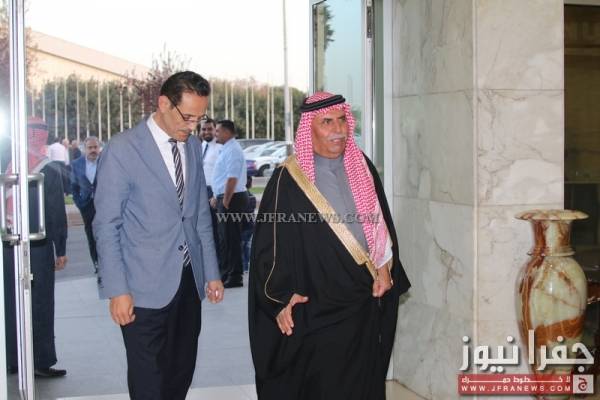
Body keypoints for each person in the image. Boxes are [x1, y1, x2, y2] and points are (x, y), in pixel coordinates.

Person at [248, 92, 411, 400]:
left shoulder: (361, 165)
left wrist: (384, 267)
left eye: (341, 121)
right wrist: (279, 298)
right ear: (308, 129)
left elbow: (380, 225)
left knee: (363, 382)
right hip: (318, 306)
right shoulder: (289, 179)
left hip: (364, 298)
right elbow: (269, 247)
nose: (338, 130)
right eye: (326, 122)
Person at [93, 71, 224, 400]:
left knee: (180, 372)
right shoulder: (123, 149)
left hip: (188, 282)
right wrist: (117, 290)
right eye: (187, 117)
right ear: (164, 103)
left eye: (199, 118)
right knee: (149, 382)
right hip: (142, 288)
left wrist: (211, 273)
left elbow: (199, 215)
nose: (193, 126)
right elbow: (106, 224)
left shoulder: (192, 146)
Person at [4, 117, 68, 378]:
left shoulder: (8, 165)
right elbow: (56, 213)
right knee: (40, 302)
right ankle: (41, 360)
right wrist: (60, 249)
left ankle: (12, 358)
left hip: (9, 245)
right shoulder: (48, 169)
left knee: (11, 300)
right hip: (38, 247)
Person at [212, 119, 248, 288]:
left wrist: (225, 201)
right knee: (224, 239)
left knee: (231, 239)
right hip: (226, 197)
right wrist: (217, 196)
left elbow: (232, 178)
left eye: (218, 131)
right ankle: (226, 273)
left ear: (227, 132)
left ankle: (235, 276)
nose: (215, 134)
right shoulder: (226, 148)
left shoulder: (233, 150)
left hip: (232, 199)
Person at [70, 136, 100, 273]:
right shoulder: (77, 164)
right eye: (90, 148)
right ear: (84, 149)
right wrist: (79, 203)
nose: (93, 150)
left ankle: (106, 265)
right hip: (87, 206)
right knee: (91, 236)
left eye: (95, 147)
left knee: (106, 235)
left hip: (104, 205)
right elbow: (73, 186)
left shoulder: (106, 162)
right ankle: (97, 265)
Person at [198, 117, 222, 253]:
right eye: (203, 129)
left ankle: (217, 262)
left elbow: (224, 174)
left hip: (213, 193)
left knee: (215, 231)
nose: (206, 132)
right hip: (200, 193)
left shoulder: (220, 148)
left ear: (215, 130)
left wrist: (215, 195)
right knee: (202, 229)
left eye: (209, 129)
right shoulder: (199, 147)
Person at [241, 175, 256, 272]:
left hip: (243, 226)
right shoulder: (252, 197)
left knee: (242, 246)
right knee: (246, 246)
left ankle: (244, 265)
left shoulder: (242, 197)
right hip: (250, 225)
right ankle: (246, 265)